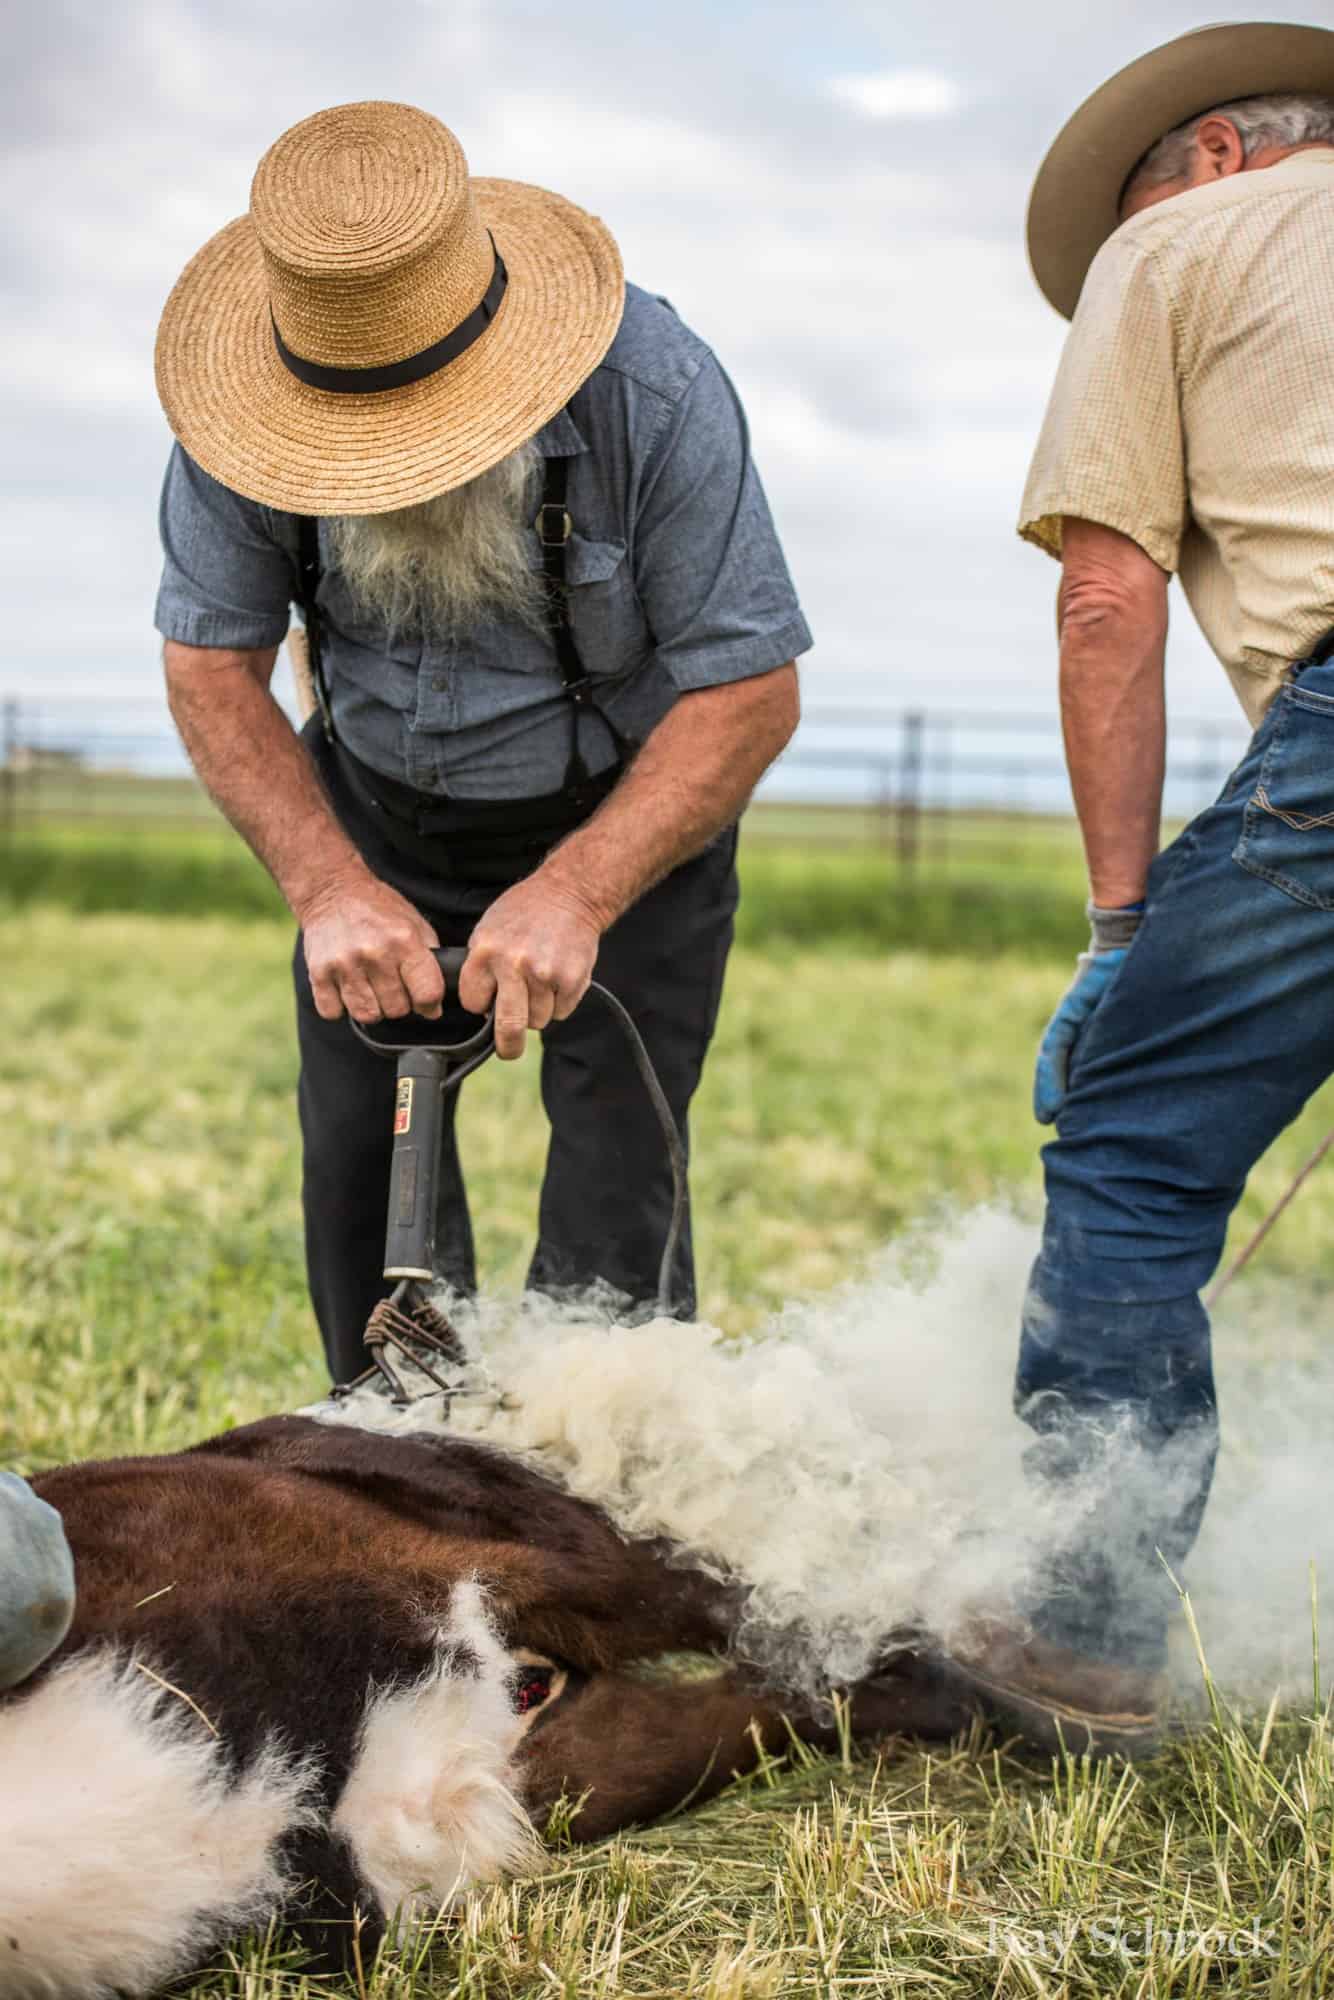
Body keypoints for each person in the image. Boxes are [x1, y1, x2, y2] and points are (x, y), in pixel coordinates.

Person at [153, 103, 808, 1384]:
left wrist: (574, 890)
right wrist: (331, 888)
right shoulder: (230, 418)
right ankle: (400, 1465)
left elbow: (750, 690)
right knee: (360, 1176)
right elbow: (208, 664)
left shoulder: (654, 391)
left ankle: (594, 1504)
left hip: (629, 820)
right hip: (375, 816)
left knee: (620, 1201)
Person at [943, 22, 1334, 1751]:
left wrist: (1119, 933)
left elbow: (1103, 597)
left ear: (1215, 156)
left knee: (1129, 1145)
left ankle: (1082, 1635)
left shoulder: (1169, 248)